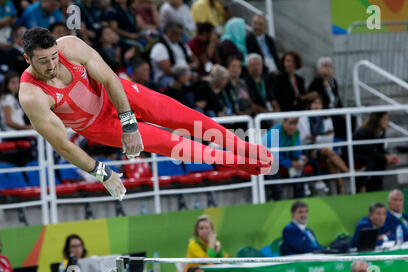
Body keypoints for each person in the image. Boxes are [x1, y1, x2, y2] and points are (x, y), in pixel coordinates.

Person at [19, 28, 272, 201]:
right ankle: (241, 163)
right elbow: (63, 146)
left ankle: (245, 148)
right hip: (99, 125)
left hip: (116, 93)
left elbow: (109, 78)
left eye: (54, 57)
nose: (52, 66)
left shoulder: (70, 46)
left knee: (184, 117)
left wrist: (129, 125)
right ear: (27, 59)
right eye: (43, 61)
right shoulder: (32, 96)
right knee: (171, 144)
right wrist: (102, 173)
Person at [298, 96, 349, 194]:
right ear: (309, 105)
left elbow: (330, 138)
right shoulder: (303, 118)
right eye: (314, 103)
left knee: (330, 159)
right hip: (309, 150)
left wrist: (316, 138)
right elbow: (305, 139)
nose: (317, 106)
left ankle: (340, 190)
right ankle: (348, 172)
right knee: (327, 151)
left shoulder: (326, 118)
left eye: (319, 103)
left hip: (324, 149)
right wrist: (321, 137)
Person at [353, 112, 399, 193]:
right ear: (377, 120)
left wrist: (389, 156)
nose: (387, 122)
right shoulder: (365, 132)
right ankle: (362, 187)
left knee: (381, 161)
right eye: (385, 119)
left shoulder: (381, 131)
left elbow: (380, 149)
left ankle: (377, 188)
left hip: (368, 154)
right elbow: (368, 151)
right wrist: (385, 157)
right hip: (356, 155)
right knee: (371, 161)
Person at [263, 117, 307, 200]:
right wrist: (290, 163)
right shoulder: (274, 132)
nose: (293, 127)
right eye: (290, 124)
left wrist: (301, 158)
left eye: (295, 124)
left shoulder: (295, 133)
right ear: (284, 122)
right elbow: (271, 156)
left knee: (300, 167)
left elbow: (297, 152)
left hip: (283, 159)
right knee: (272, 167)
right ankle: (278, 198)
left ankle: (299, 199)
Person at [308, 57, 346, 140]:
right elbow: (314, 100)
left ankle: (343, 143)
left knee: (348, 118)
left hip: (334, 109)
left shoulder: (333, 81)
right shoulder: (316, 82)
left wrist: (342, 110)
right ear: (319, 69)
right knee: (334, 120)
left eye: (330, 65)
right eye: (325, 66)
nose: (328, 68)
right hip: (323, 110)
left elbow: (337, 98)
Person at [149, 22, 196, 88]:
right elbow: (167, 70)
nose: (179, 36)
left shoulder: (182, 45)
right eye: (177, 33)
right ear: (168, 32)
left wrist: (192, 67)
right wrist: (184, 75)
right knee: (177, 85)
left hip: (185, 73)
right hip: (166, 77)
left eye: (180, 34)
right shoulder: (159, 47)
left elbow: (195, 60)